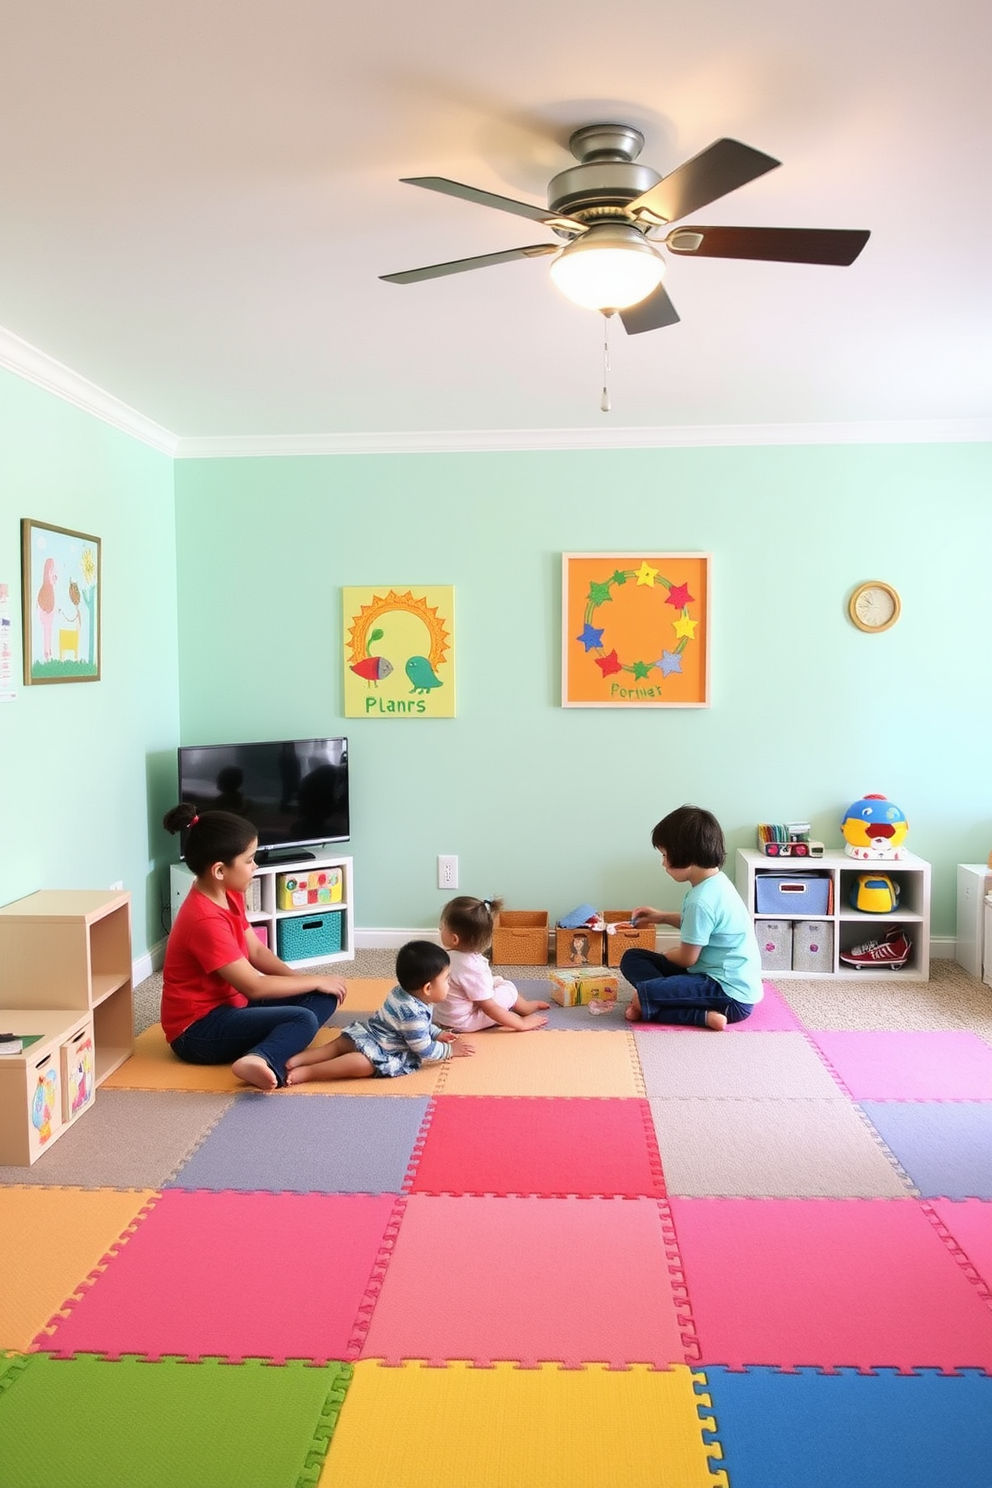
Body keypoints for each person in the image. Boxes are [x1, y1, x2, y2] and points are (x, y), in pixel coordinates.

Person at [161, 803, 346, 1090]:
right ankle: (262, 1058)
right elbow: (255, 987)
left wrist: (307, 983)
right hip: (196, 1032)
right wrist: (315, 980)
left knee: (322, 996)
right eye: (249, 860)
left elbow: (257, 952)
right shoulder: (204, 920)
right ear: (220, 870)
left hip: (234, 1004)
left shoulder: (228, 892)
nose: (255, 866)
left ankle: (271, 1045)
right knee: (303, 1019)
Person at [619, 805, 763, 1030]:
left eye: (665, 855)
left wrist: (668, 955)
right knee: (633, 957)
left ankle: (700, 1016)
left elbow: (687, 959)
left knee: (643, 995)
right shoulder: (716, 883)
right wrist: (661, 917)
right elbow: (700, 928)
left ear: (685, 854)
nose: (663, 863)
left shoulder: (701, 900)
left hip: (728, 996)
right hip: (712, 976)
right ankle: (659, 997)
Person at [285, 940, 474, 1082]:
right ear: (427, 988)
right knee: (361, 1064)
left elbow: (418, 1027)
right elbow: (423, 1047)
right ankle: (310, 1072)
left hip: (367, 1033)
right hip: (386, 1050)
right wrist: (449, 1050)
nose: (449, 984)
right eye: (447, 979)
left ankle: (299, 1059)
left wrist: (437, 1032)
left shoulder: (402, 992)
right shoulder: (413, 1013)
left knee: (339, 1045)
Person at [433, 895, 550, 1033]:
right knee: (508, 987)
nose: (440, 929)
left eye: (442, 927)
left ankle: (519, 1006)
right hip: (464, 1022)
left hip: (442, 1018)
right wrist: (521, 1024)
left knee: (495, 981)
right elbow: (489, 1008)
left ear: (454, 939)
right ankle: (525, 1008)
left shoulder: (442, 956)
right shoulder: (473, 967)